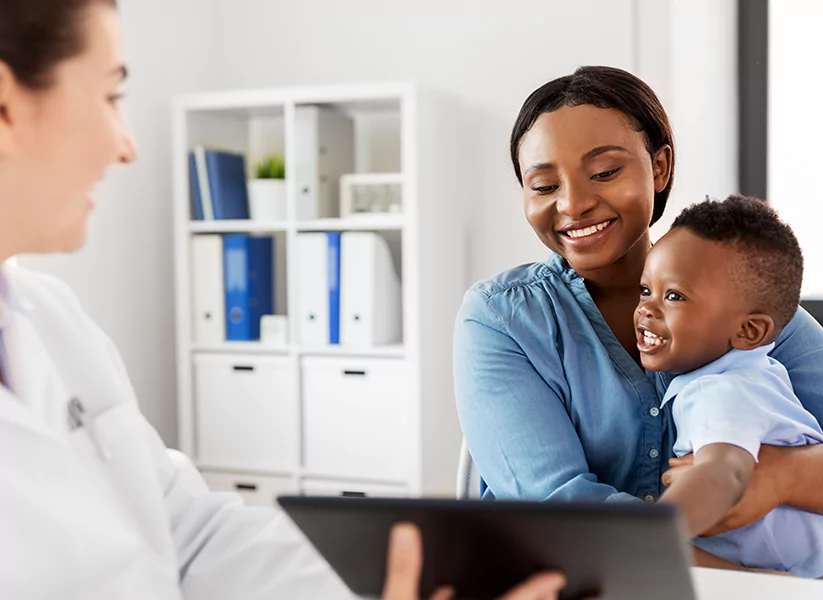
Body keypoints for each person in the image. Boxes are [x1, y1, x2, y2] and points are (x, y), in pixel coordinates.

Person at [0, 1, 567, 598]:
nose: (126, 146)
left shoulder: (53, 322)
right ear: (6, 108)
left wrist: (416, 575)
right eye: (111, 97)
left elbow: (189, 534)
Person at [454, 66, 823, 543]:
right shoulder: (503, 318)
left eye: (604, 171)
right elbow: (559, 519)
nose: (573, 204)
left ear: (660, 166)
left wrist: (777, 476)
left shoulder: (741, 298)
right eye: (543, 186)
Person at [640, 195, 823, 578]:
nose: (647, 308)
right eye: (645, 290)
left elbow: (725, 471)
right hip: (820, 568)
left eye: (674, 296)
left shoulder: (725, 389)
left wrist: (655, 532)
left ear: (749, 331)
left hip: (821, 582)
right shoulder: (746, 374)